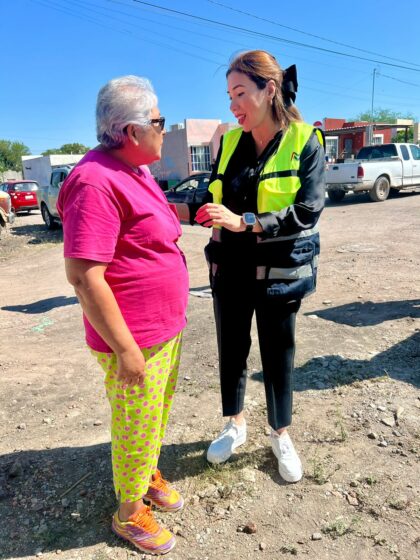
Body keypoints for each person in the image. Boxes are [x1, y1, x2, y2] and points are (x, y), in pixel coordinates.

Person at [57, 76, 189, 555]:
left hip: (162, 329)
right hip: (133, 340)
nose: (164, 129)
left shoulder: (135, 169)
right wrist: (127, 349)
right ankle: (128, 514)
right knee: (135, 425)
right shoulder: (94, 181)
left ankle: (144, 475)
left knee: (154, 417)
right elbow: (85, 277)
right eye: (159, 122)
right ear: (132, 131)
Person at [195, 50, 325, 482]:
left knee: (277, 354)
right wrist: (210, 222)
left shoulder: (306, 140)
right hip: (229, 271)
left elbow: (307, 211)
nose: (233, 106)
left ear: (270, 90)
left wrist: (246, 222)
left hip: (279, 274)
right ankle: (235, 424)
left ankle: (279, 432)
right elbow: (216, 193)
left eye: (240, 93)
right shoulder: (230, 141)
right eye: (229, 95)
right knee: (231, 351)